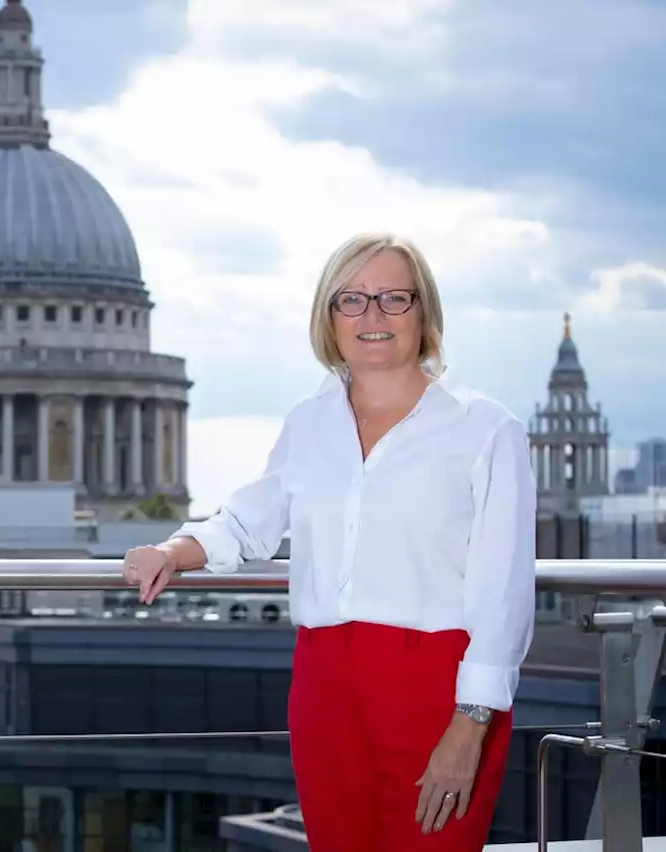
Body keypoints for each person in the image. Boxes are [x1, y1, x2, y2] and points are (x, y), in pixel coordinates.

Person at [122, 232, 536, 851]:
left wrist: (469, 726)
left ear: (424, 312)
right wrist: (173, 552)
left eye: (394, 298)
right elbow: (245, 522)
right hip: (324, 686)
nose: (373, 316)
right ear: (329, 317)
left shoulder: (487, 430)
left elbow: (504, 595)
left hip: (439, 690)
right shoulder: (309, 422)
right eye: (352, 300)